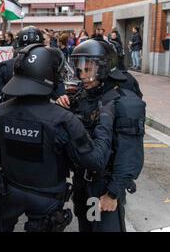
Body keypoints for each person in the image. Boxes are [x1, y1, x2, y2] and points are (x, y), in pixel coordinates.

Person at [0, 43, 115, 232]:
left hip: (10, 190)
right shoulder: (63, 119)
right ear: (51, 77)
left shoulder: (0, 112)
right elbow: (94, 161)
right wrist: (105, 119)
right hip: (46, 198)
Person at [56, 39, 146, 232]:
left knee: (104, 228)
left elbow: (129, 152)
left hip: (103, 186)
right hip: (83, 181)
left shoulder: (123, 102)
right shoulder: (86, 94)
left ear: (104, 69)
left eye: (87, 69)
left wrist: (113, 193)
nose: (81, 75)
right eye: (79, 69)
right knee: (87, 225)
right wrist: (65, 103)